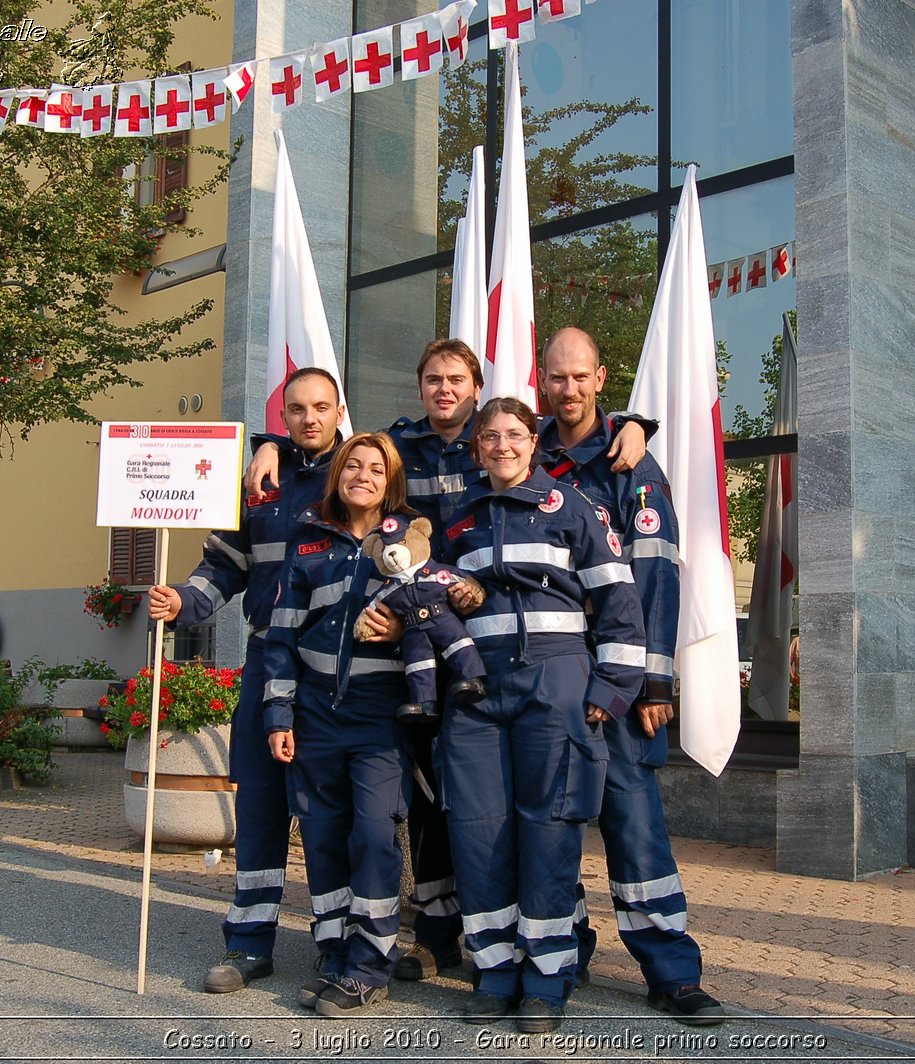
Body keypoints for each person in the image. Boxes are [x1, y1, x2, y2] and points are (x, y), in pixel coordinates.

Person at [242, 338, 651, 984]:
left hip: (531, 675)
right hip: (440, 676)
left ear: (481, 392)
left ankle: (563, 952)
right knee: (448, 813)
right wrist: (267, 440)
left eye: (456, 379)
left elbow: (576, 434)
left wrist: (631, 426)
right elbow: (340, 458)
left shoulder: (534, 475)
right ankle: (441, 940)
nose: (444, 389)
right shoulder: (425, 479)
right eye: (432, 377)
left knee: (554, 817)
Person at [536, 327, 726, 1025]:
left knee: (634, 824)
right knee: (550, 823)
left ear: (600, 376)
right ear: (542, 379)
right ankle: (563, 954)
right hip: (549, 680)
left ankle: (671, 972)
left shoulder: (630, 465)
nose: (569, 389)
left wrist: (653, 683)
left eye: (581, 376)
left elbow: (654, 578)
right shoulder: (526, 451)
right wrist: (278, 446)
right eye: (557, 377)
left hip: (615, 684)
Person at [440, 397, 647, 1033]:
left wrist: (609, 691)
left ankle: (546, 978)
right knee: (477, 833)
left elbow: (618, 601)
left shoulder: (572, 508)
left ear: (533, 444)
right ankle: (495, 971)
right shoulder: (457, 521)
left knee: (550, 829)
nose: (502, 446)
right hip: (475, 694)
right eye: (490, 438)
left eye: (514, 436)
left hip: (555, 685)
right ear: (476, 449)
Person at [146, 367, 346, 995]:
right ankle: (250, 939)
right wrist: (182, 601)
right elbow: (222, 567)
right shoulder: (260, 483)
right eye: (295, 410)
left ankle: (336, 942)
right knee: (259, 802)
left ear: (340, 410)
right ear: (282, 417)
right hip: (266, 659)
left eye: (319, 407)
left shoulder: (363, 475)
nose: (308, 418)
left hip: (334, 666)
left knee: (326, 812)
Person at [262, 433, 417, 1017]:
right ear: (338, 475)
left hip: (380, 716)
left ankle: (371, 962)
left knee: (374, 833)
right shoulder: (307, 543)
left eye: (376, 469)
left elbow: (435, 613)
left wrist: (405, 631)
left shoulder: (409, 540)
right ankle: (334, 950)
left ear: (389, 482)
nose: (363, 476)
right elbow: (280, 639)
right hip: (315, 715)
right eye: (353, 465)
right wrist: (279, 713)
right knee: (323, 835)